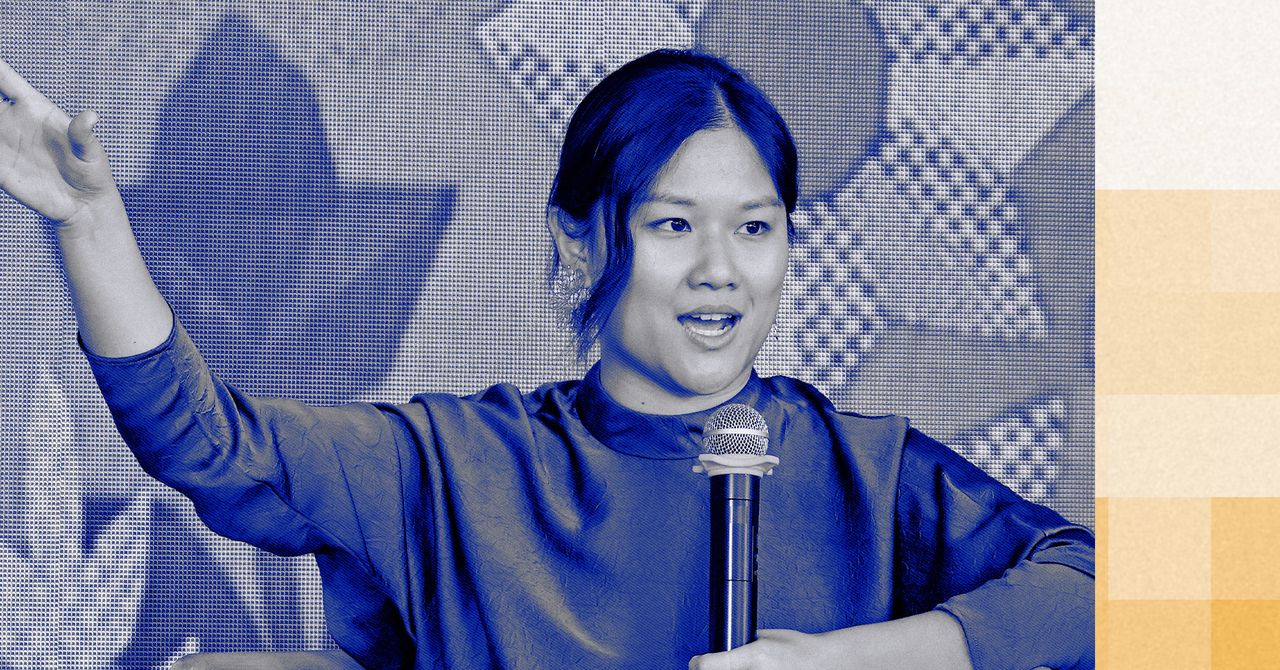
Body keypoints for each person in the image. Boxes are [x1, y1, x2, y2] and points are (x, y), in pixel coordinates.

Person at [0, 49, 1093, 669]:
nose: (721, 271)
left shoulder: (865, 471)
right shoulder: (457, 463)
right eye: (673, 225)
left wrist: (841, 660)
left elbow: (1103, 592)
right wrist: (89, 223)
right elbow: (209, 444)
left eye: (755, 228)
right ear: (579, 242)